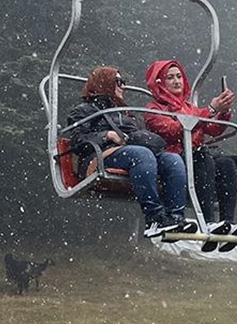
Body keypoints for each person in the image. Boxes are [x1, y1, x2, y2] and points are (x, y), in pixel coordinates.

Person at [66, 66, 192, 238]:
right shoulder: (84, 111)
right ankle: (154, 217)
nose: (123, 86)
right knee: (141, 155)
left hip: (129, 152)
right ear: (104, 83)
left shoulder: (126, 113)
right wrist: (107, 135)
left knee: (172, 160)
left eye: (123, 82)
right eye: (118, 82)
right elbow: (77, 142)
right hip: (100, 156)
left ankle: (175, 216)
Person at [144, 59, 237, 246]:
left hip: (197, 158)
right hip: (173, 160)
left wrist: (223, 111)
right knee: (201, 158)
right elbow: (174, 130)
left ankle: (227, 221)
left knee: (226, 164)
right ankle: (207, 221)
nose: (176, 81)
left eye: (179, 77)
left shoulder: (189, 108)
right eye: (170, 78)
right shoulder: (154, 109)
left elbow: (213, 129)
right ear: (159, 83)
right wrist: (211, 109)